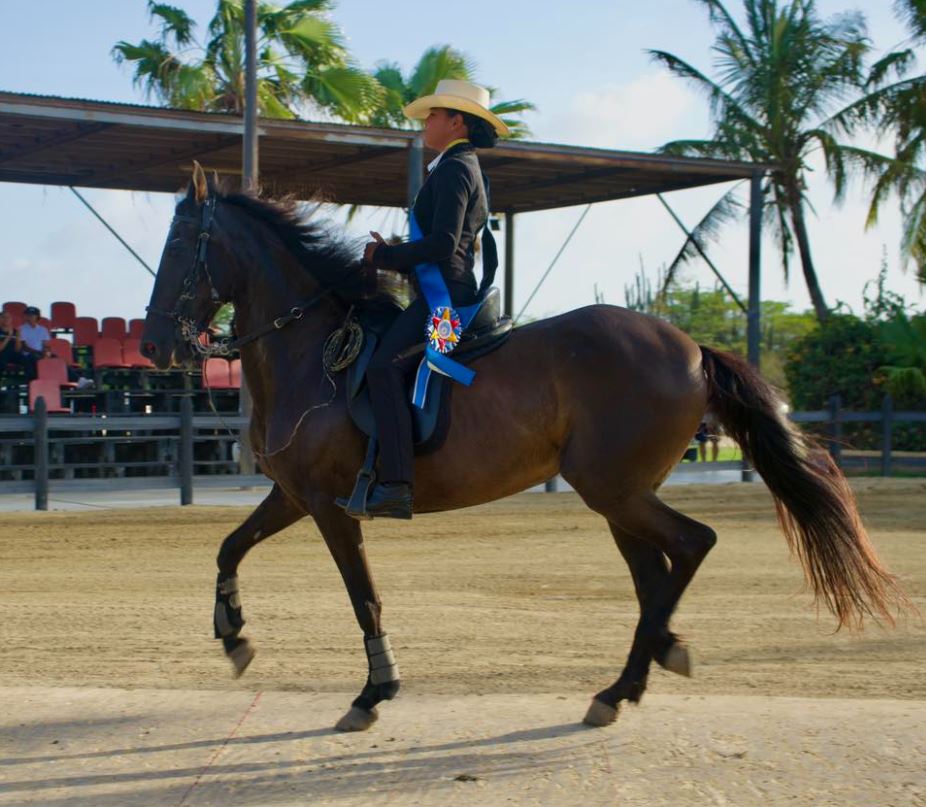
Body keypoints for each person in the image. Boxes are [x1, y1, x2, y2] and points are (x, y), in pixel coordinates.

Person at [342, 80, 509, 519]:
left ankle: (396, 483)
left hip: (444, 302)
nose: (426, 121)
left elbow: (441, 245)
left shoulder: (455, 168)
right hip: (440, 292)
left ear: (457, 122)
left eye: (433, 115)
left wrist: (387, 255)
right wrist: (392, 253)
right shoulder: (456, 165)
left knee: (383, 367)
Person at [0, 311, 38, 381]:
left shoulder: (15, 331)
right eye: (3, 317)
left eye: (8, 317)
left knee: (30, 359)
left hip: (14, 354)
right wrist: (9, 336)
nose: (6, 319)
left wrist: (18, 338)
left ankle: (32, 383)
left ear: (11, 319)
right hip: (2, 354)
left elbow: (18, 350)